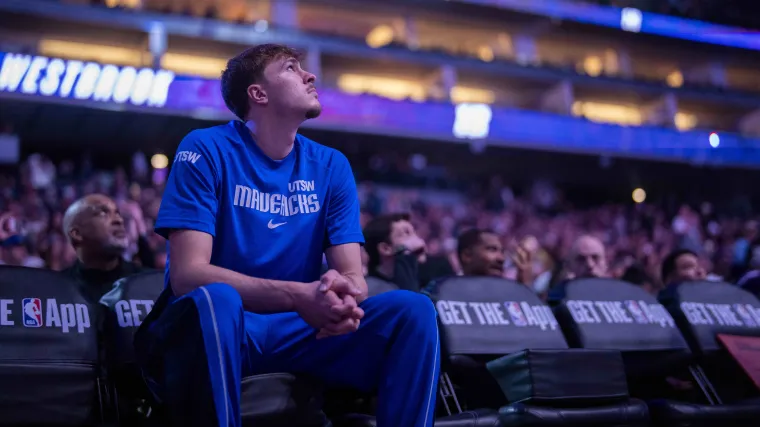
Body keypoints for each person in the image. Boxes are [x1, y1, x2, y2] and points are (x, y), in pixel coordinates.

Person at [134, 44, 440, 427]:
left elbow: (354, 278)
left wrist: (340, 297)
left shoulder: (331, 165)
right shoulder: (205, 148)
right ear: (258, 94)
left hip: (300, 329)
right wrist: (299, 296)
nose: (310, 75)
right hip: (221, 326)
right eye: (292, 68)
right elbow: (188, 276)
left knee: (414, 311)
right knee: (219, 300)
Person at [62, 194, 146, 302]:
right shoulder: (57, 290)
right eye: (102, 213)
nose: (119, 220)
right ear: (77, 234)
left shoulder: (148, 282)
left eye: (117, 213)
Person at [363, 212, 427, 294]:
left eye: (414, 232)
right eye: (406, 233)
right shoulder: (374, 289)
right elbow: (410, 300)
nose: (417, 239)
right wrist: (406, 257)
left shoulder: (427, 280)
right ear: (386, 248)